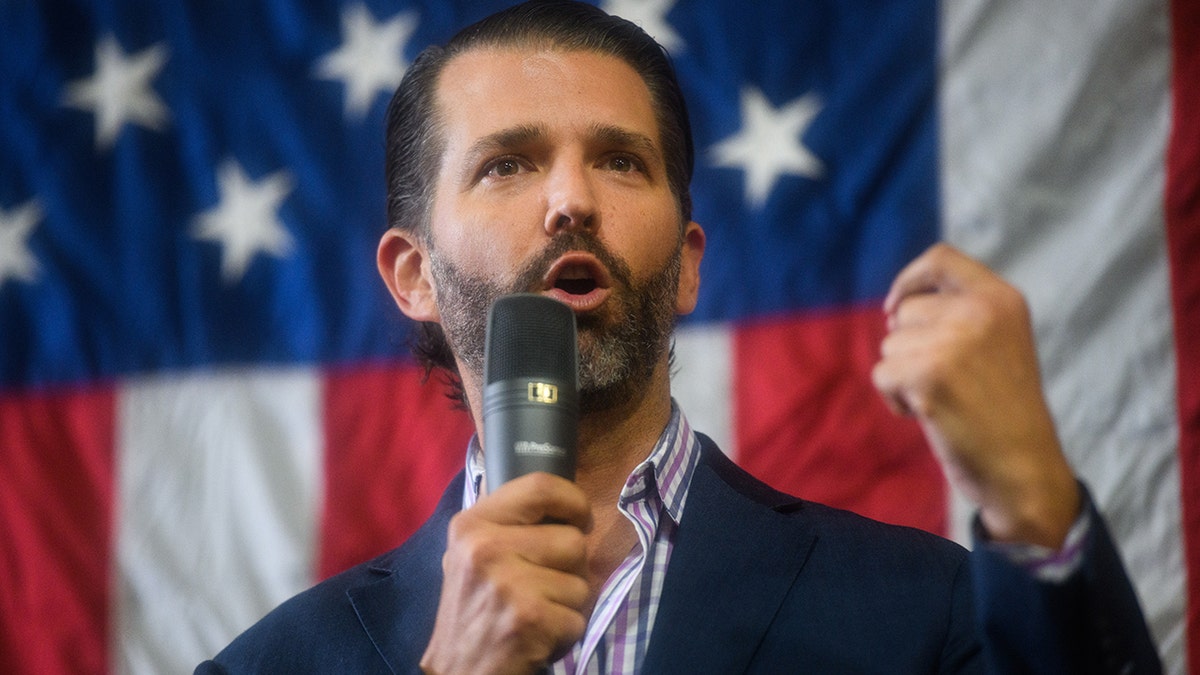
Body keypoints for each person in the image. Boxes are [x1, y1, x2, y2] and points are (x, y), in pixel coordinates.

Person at [197, 1, 1162, 672]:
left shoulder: (923, 611)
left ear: (691, 263)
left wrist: (1034, 507)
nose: (572, 201)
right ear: (412, 275)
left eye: (620, 161)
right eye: (508, 166)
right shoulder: (270, 665)